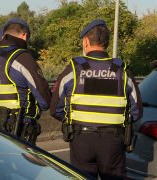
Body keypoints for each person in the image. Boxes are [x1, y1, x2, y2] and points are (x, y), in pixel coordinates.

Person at [50, 19, 142, 179]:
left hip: (81, 139)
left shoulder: (73, 69)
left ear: (86, 42)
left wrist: (74, 121)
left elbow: (55, 108)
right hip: (113, 141)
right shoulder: (122, 70)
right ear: (106, 43)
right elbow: (137, 111)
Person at [0, 18, 51, 145]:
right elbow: (45, 101)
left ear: (4, 35)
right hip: (19, 131)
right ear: (24, 36)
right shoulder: (22, 58)